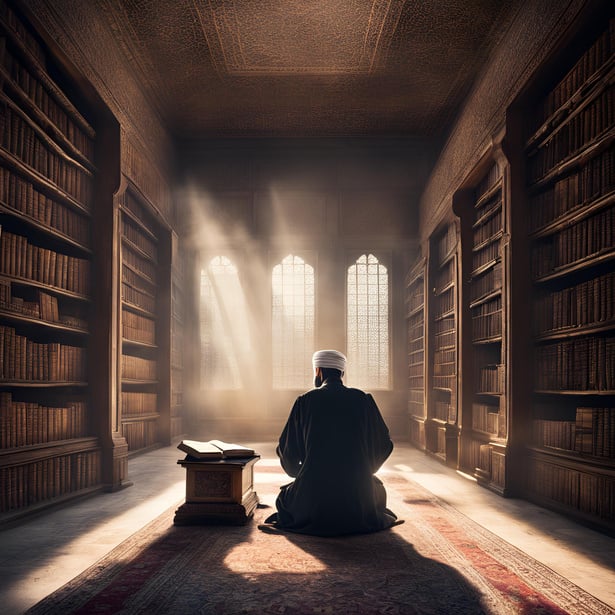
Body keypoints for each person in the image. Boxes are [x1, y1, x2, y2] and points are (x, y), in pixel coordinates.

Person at [261, 349, 399, 536]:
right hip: (357, 498)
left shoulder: (305, 401)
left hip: (314, 499)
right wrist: (366, 470)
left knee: (284, 500)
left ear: (318, 371)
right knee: (377, 492)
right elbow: (384, 444)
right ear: (342, 373)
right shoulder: (363, 399)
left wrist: (299, 474)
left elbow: (287, 449)